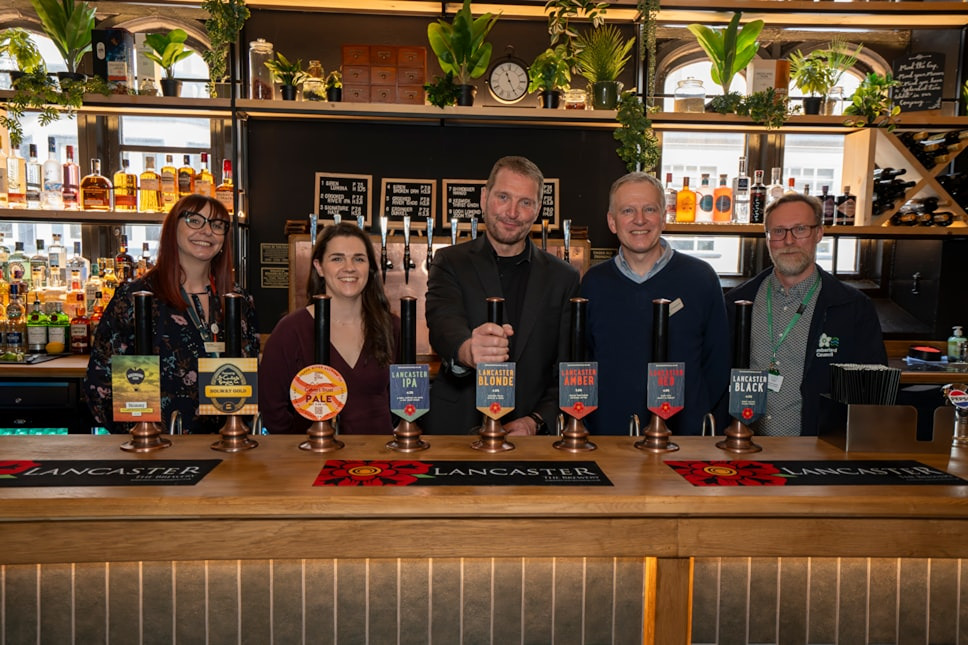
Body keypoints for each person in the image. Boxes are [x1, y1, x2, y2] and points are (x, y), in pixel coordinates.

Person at [424, 156, 580, 435]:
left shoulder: (563, 277)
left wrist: (536, 421)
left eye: (525, 202)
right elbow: (443, 322)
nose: (512, 212)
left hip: (529, 437)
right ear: (484, 198)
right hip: (457, 429)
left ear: (537, 210)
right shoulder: (450, 261)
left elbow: (568, 368)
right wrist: (468, 349)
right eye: (503, 197)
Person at [84, 194, 259, 434]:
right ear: (172, 229)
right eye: (194, 220)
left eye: (217, 225)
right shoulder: (137, 298)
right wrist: (142, 433)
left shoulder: (238, 300)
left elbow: (251, 373)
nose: (207, 231)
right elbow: (102, 382)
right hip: (156, 450)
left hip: (227, 444)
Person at [580, 172, 730, 436]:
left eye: (649, 209)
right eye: (628, 210)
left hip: (683, 443)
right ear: (612, 222)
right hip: (609, 440)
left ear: (663, 217)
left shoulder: (700, 278)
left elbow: (718, 364)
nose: (640, 219)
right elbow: (584, 361)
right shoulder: (594, 283)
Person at [725, 192, 887, 436]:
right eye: (778, 231)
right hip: (745, 451)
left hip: (819, 456)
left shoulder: (852, 308)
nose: (789, 241)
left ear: (819, 233)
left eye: (800, 229)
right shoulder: (735, 304)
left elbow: (870, 398)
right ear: (767, 238)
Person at [259, 222, 399, 434]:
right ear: (319, 267)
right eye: (337, 258)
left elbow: (403, 401)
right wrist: (296, 449)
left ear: (369, 268)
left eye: (359, 259)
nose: (349, 267)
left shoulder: (391, 327)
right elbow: (271, 408)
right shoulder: (291, 331)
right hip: (313, 460)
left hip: (379, 459)